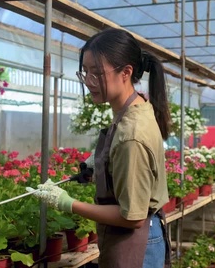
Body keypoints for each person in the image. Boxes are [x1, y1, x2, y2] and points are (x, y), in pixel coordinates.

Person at [27, 28, 172, 268]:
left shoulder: (131, 135)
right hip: (141, 234)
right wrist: (101, 163)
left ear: (126, 72)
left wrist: (68, 203)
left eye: (97, 73)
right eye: (85, 72)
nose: (89, 81)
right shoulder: (135, 107)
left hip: (138, 243)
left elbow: (132, 217)